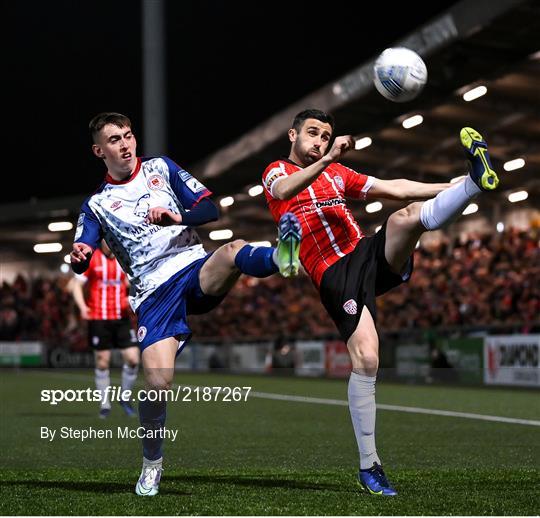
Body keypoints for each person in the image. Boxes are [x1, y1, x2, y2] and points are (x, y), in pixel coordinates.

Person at [261, 108, 499, 496]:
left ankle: (473, 184)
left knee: (405, 217)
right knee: (368, 359)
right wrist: (329, 158)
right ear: (292, 135)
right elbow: (284, 192)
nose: (319, 141)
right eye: (312, 133)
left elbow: (398, 187)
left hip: (365, 253)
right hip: (334, 274)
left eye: (325, 136)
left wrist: (454, 183)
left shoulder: (338, 174)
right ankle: (369, 465)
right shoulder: (277, 172)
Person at [70, 112, 301, 497]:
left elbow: (210, 210)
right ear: (99, 150)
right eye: (115, 140)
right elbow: (83, 249)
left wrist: (177, 215)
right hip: (152, 292)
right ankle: (152, 466)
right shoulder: (97, 204)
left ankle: (283, 258)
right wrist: (79, 254)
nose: (126, 144)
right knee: (157, 383)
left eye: (128, 135)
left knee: (232, 250)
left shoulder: (161, 167)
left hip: (192, 266)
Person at [69, 239, 139, 418]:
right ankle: (105, 405)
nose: (109, 242)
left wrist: (130, 297)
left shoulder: (123, 258)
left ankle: (125, 398)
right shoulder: (92, 258)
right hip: (99, 318)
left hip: (121, 317)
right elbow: (76, 285)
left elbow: (133, 284)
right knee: (102, 362)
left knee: (132, 359)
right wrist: (83, 307)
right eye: (106, 238)